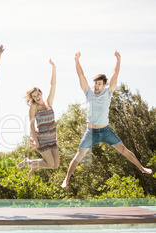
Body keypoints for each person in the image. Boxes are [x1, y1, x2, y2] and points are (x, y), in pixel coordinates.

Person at [62, 51, 153, 188]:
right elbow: (81, 75)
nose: (96, 86)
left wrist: (118, 59)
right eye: (95, 84)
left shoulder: (108, 92)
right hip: (90, 132)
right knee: (79, 156)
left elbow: (115, 74)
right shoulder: (89, 92)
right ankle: (66, 180)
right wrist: (77, 61)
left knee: (123, 150)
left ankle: (141, 168)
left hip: (105, 131)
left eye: (99, 83)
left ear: (104, 85)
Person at [17, 59, 59, 178]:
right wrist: (36, 141)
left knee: (55, 165)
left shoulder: (49, 103)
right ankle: (28, 162)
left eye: (37, 94)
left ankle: (35, 166)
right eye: (34, 96)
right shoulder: (34, 107)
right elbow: (31, 125)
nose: (36, 97)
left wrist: (53, 68)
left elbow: (53, 85)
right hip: (43, 139)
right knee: (50, 163)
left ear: (41, 93)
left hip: (52, 138)